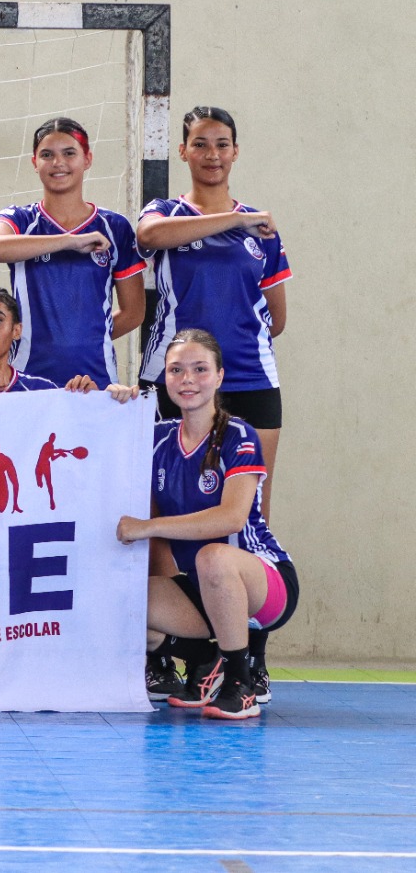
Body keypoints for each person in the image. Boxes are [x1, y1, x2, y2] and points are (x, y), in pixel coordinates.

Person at [136, 106, 291, 693]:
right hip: (172, 382)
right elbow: (150, 239)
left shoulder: (263, 234)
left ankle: (248, 656)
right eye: (200, 143)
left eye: (222, 143)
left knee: (249, 515)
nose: (212, 154)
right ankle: (184, 654)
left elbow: (276, 318)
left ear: (235, 151)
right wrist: (235, 219)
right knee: (161, 507)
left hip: (249, 381)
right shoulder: (167, 213)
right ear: (183, 151)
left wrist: (231, 357)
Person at [116, 329, 296, 720]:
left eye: (200, 369)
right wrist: (108, 401)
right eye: (176, 370)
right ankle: (205, 657)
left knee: (213, 556)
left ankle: (240, 685)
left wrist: (149, 526)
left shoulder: (238, 435)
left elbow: (231, 517)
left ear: (219, 376)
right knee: (119, 596)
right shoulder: (158, 438)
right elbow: (101, 438)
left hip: (264, 584)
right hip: (203, 588)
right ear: (164, 378)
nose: (188, 379)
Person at [0, 117, 145, 385]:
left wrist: (83, 340)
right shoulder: (20, 219)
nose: (58, 162)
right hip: (27, 374)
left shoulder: (114, 227)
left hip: (96, 375)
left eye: (69, 153)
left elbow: (133, 312)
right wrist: (69, 241)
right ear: (34, 162)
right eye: (47, 155)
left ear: (87, 159)